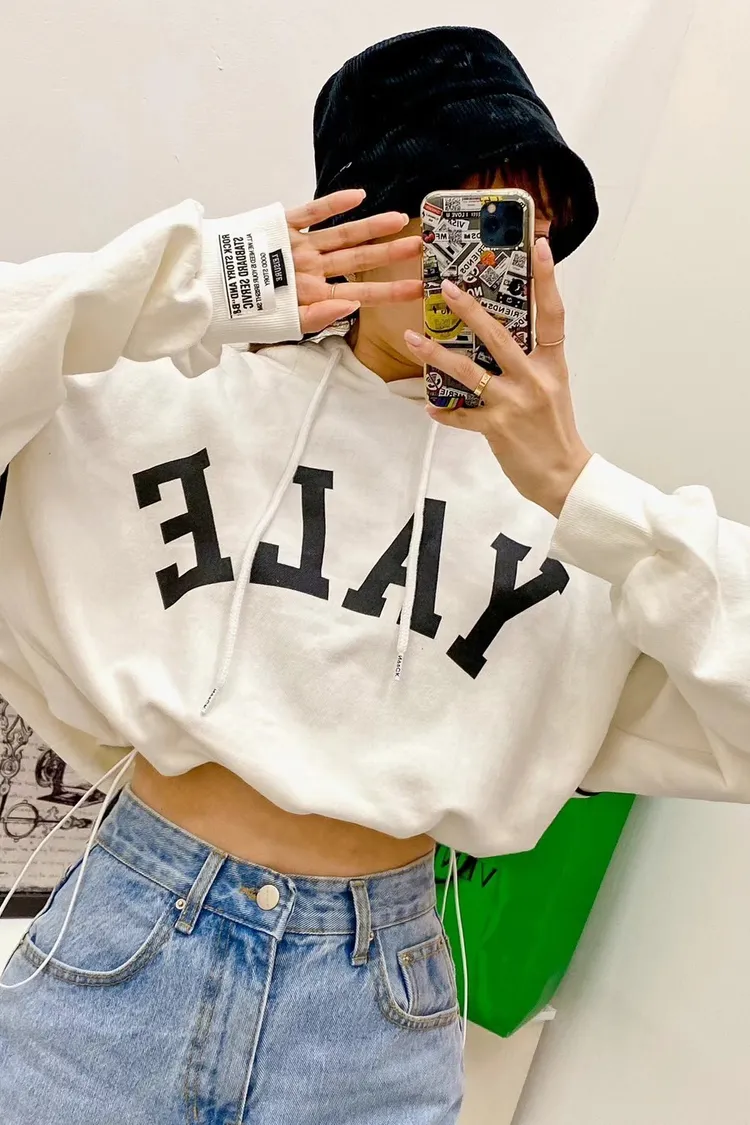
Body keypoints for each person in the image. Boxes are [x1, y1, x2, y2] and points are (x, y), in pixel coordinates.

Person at [0, 24, 748, 1125]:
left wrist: (577, 484)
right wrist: (213, 278)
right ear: (357, 220)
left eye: (529, 230)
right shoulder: (174, 403)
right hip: (125, 951)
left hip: (369, 1017)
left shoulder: (571, 517)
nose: (497, 266)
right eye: (459, 217)